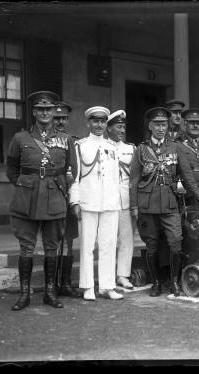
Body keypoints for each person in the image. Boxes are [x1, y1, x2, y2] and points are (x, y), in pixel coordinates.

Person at [129, 107, 199, 297]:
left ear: (168, 126)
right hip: (147, 204)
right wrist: (134, 206)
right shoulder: (141, 149)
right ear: (150, 126)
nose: (160, 128)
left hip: (169, 204)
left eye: (163, 124)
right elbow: (133, 180)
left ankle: (174, 282)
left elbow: (187, 176)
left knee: (176, 242)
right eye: (157, 124)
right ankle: (156, 283)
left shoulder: (176, 147)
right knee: (151, 246)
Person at [6, 90, 75, 311]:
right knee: (26, 247)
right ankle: (25, 293)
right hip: (27, 198)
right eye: (40, 109)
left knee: (51, 247)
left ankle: (50, 292)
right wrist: (26, 184)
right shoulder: (20, 138)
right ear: (34, 112)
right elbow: (11, 170)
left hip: (54, 197)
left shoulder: (66, 140)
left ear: (54, 111)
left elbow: (71, 170)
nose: (45, 113)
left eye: (49, 109)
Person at [69, 106, 123, 301]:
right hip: (88, 201)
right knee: (87, 245)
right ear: (88, 123)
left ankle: (107, 286)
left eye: (102, 121)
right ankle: (88, 286)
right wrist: (75, 200)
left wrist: (117, 201)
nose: (99, 124)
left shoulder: (112, 147)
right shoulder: (80, 146)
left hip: (110, 202)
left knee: (108, 245)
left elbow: (116, 179)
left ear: (106, 124)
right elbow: (75, 177)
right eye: (95, 121)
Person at [52, 101, 82, 298]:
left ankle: (65, 282)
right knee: (53, 241)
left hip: (67, 196)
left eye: (63, 118)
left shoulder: (73, 141)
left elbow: (77, 171)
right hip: (51, 197)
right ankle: (52, 283)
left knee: (68, 241)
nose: (60, 122)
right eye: (57, 118)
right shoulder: (44, 141)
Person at [106, 109, 138, 289]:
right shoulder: (103, 146)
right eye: (118, 127)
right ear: (109, 128)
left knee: (127, 239)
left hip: (126, 200)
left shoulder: (131, 149)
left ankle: (123, 275)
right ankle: (108, 274)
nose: (122, 130)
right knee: (108, 240)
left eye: (123, 127)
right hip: (108, 201)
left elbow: (134, 177)